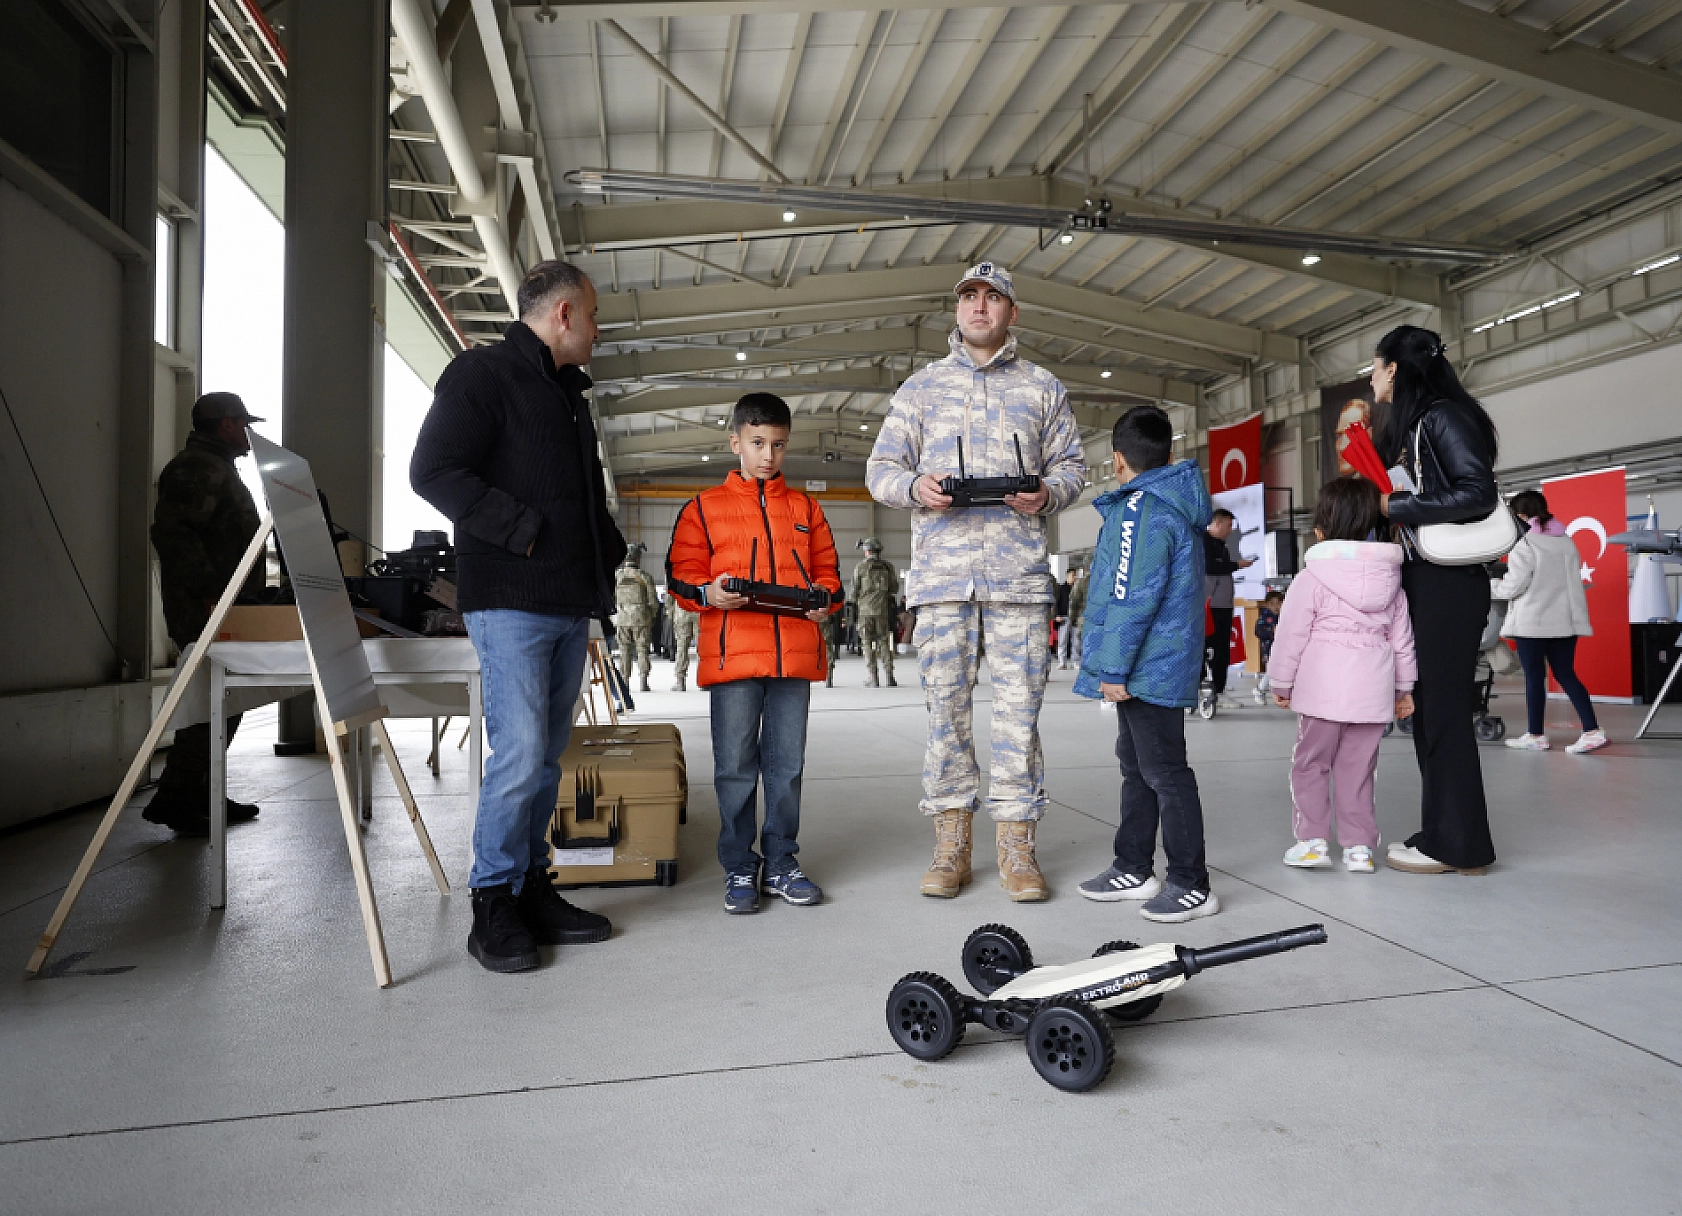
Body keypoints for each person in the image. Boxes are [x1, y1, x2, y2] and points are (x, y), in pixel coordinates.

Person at [411, 260, 622, 973]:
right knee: (519, 751)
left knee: (545, 756)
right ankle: (492, 899)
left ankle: (533, 884)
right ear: (564, 314)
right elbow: (433, 470)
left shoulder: (567, 396)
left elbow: (581, 500)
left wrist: (605, 556)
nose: (597, 330)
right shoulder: (482, 376)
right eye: (592, 316)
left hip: (565, 601)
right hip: (509, 599)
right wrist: (522, 529)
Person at [866, 261, 1087, 901]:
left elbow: (1073, 467)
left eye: (993, 298)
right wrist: (914, 487)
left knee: (1019, 717)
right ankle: (951, 846)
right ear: (956, 311)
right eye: (969, 297)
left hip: (1018, 578)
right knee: (946, 716)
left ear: (1012, 313)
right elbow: (881, 468)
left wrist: (1046, 493)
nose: (980, 307)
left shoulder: (1042, 388)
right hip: (941, 579)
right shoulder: (921, 390)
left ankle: (1018, 850)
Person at [666, 393, 842, 913]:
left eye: (779, 445)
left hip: (793, 656)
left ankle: (783, 862)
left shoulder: (807, 509)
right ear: (735, 442)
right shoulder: (703, 508)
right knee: (735, 768)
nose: (768, 455)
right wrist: (708, 593)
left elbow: (830, 574)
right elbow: (681, 574)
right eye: (758, 442)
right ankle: (740, 867)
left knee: (786, 767)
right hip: (734, 659)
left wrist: (825, 602)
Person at [1075, 406, 1220, 922]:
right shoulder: (1167, 503)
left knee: (1163, 770)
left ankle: (1190, 882)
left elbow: (1131, 595)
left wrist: (1112, 668)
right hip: (1157, 659)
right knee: (1137, 764)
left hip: (1147, 665)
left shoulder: (1142, 509)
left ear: (1117, 459)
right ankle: (1133, 864)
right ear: (1168, 455)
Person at [1373, 324, 1501, 876]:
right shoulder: (1422, 422)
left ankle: (1457, 846)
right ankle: (1447, 832)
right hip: (1431, 579)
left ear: (1394, 369)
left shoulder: (1442, 415)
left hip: (1450, 583)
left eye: (1376, 367)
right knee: (1430, 712)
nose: (1373, 378)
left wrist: (1396, 507)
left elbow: (1477, 491)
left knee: (1444, 712)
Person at [1268, 478, 1417, 874]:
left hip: (1322, 692)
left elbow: (1290, 636)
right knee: (1358, 769)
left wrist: (1281, 682)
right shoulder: (1392, 580)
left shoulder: (1312, 576)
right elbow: (1402, 640)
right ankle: (1359, 849)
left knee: (1310, 764)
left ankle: (1313, 841)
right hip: (1373, 691)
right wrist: (1404, 689)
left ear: (1320, 531)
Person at [146, 392, 267, 836]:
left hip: (221, 604)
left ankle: (197, 794)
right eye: (244, 423)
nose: (250, 432)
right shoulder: (195, 469)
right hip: (205, 607)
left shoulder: (218, 469)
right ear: (226, 425)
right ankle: (177, 800)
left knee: (224, 701)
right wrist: (210, 593)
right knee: (209, 701)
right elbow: (174, 535)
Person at [1492, 489, 1604, 754]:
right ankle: (1591, 730)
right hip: (1565, 621)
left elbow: (1512, 588)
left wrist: (1490, 586)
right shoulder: (1566, 542)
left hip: (1533, 622)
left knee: (1534, 677)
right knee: (1566, 674)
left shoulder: (1525, 544)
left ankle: (1535, 735)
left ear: (1519, 515)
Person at [1203, 508, 1254, 709]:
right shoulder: (1203, 543)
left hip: (1224, 606)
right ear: (1217, 523)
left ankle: (1219, 689)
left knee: (1222, 649)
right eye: (1229, 525)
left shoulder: (1222, 547)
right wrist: (1237, 565)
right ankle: (1203, 689)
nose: (1231, 530)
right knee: (1207, 649)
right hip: (1210, 607)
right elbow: (1210, 567)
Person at [852, 537, 901, 687]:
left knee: (866, 643)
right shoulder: (888, 567)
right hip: (882, 612)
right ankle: (890, 676)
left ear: (867, 551)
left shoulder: (860, 567)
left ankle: (873, 677)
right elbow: (894, 589)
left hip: (865, 613)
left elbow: (854, 592)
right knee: (884, 642)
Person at [613, 543, 657, 692]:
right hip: (641, 619)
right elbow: (653, 601)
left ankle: (625, 682)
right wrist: (650, 616)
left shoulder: (616, 576)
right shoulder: (645, 577)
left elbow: (611, 598)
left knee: (624, 650)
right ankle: (643, 681)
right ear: (638, 558)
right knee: (642, 649)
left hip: (622, 618)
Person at [669, 597, 699, 692]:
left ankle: (680, 681)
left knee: (682, 646)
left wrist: (670, 611)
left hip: (682, 610)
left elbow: (669, 595)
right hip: (700, 610)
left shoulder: (676, 580)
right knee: (702, 646)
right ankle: (704, 680)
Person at [1053, 569, 1075, 669]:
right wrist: (1056, 615)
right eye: (1072, 575)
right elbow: (1056, 602)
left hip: (1075, 617)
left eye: (1075, 576)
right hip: (1064, 617)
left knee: (1076, 640)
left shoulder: (1077, 589)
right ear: (1067, 576)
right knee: (1062, 640)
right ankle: (1062, 662)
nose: (1074, 577)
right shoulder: (1061, 588)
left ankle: (1075, 661)